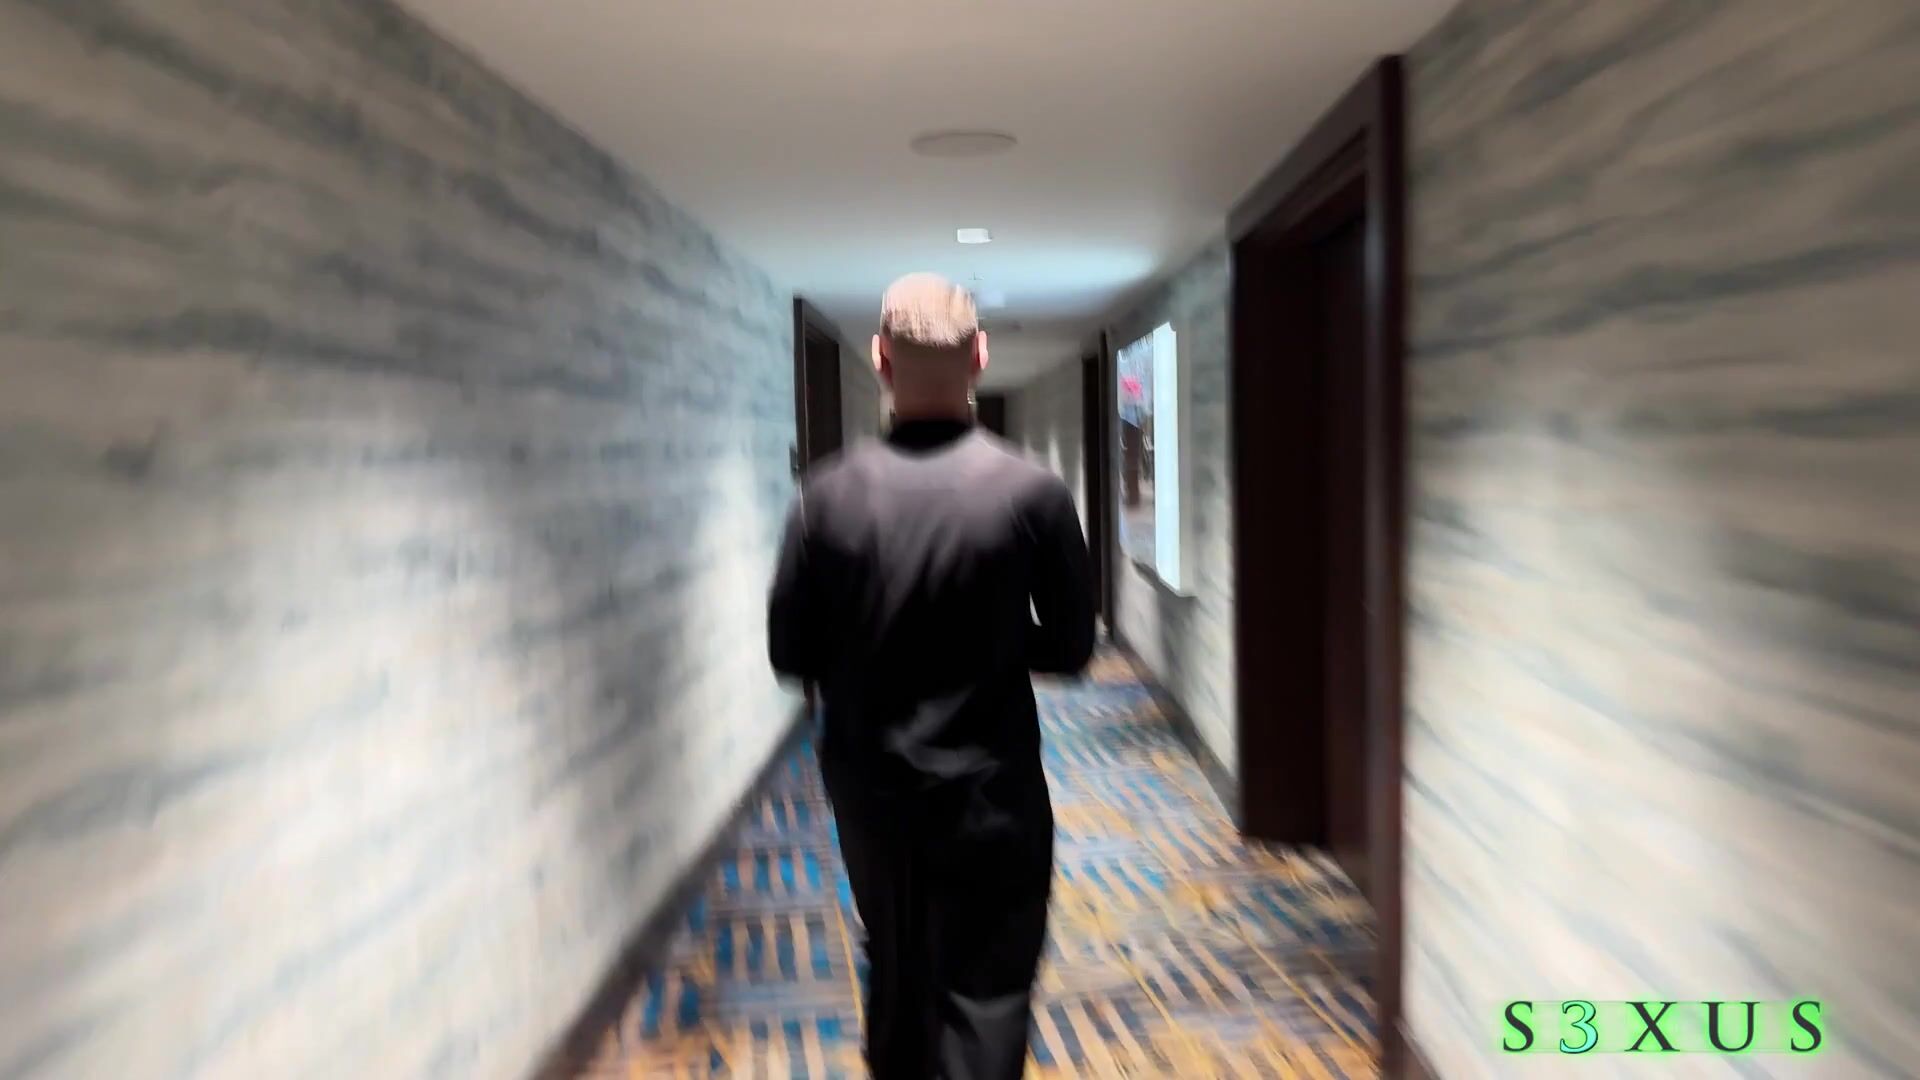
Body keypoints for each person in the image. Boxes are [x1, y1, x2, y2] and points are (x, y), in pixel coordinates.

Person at [767, 273, 1096, 1079]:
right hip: (992, 791)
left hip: (871, 792)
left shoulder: (823, 496)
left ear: (880, 360)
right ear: (980, 355)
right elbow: (1070, 648)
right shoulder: (1034, 492)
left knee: (897, 969)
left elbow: (790, 655)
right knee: (987, 985)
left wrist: (874, 641)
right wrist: (987, 637)